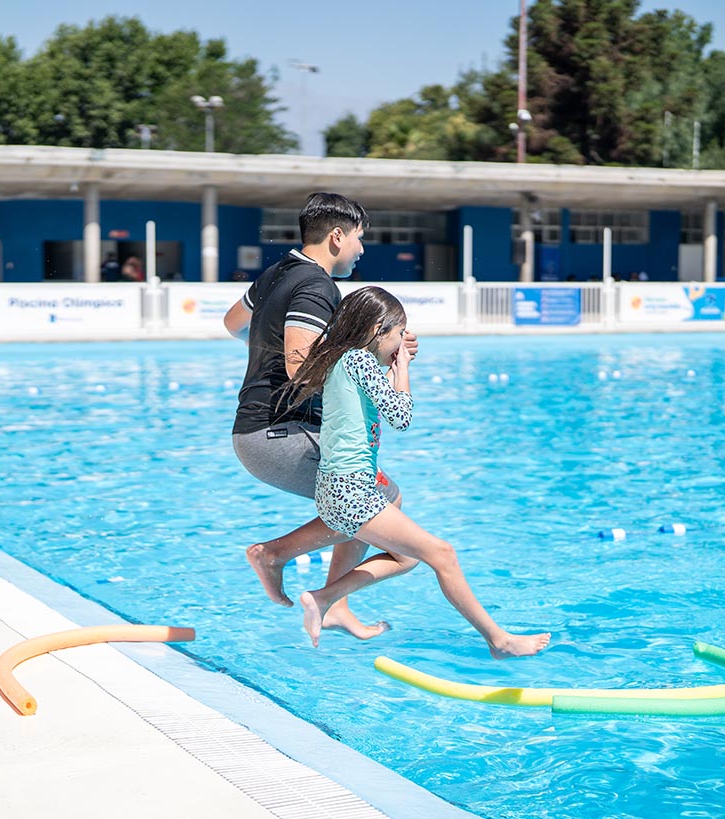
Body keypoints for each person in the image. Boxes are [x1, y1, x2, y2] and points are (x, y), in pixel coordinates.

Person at [288, 286, 552, 657]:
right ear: (379, 329)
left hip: (337, 490)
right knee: (442, 554)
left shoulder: (341, 360)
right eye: (398, 333)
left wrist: (394, 364)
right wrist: (404, 368)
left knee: (407, 558)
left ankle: (323, 598)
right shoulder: (359, 361)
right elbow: (401, 416)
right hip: (351, 492)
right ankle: (499, 640)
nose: (400, 342)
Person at [223, 192, 419, 640]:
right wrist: (369, 358)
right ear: (336, 236)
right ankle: (276, 556)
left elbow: (235, 324)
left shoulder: (278, 272)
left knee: (373, 495)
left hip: (258, 428)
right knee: (380, 503)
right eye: (358, 239)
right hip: (279, 433)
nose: (361, 250)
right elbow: (298, 363)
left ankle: (335, 604)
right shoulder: (317, 286)